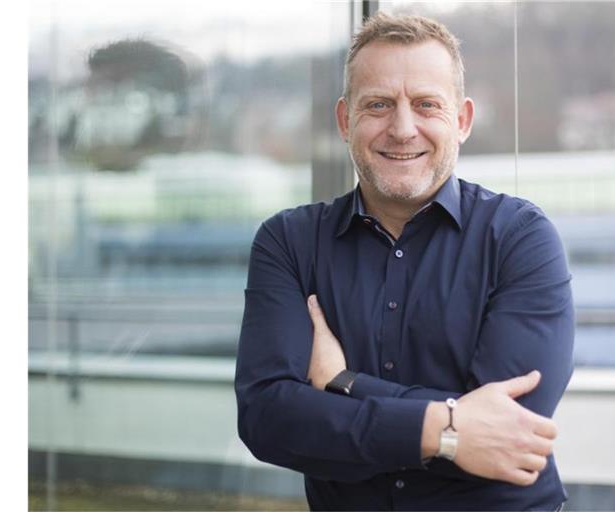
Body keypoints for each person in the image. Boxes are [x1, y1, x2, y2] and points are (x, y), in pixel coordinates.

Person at [235, 12, 574, 511]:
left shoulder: (520, 239)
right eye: (378, 105)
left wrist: (343, 386)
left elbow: (510, 431)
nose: (402, 127)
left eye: (426, 105)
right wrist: (449, 428)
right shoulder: (288, 243)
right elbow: (268, 420)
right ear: (346, 120)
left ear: (461, 121)